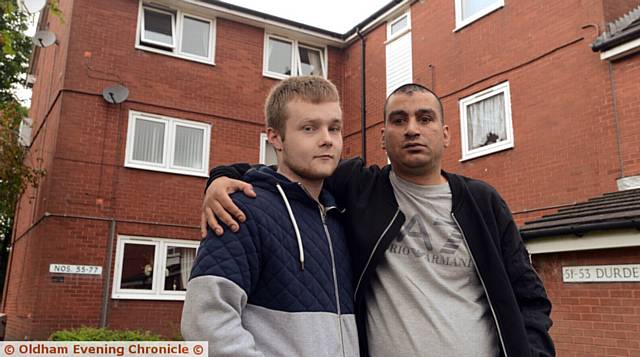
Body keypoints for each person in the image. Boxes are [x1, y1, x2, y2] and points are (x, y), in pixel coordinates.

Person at [204, 83, 555, 357]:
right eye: (399, 120)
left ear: (446, 134)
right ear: (382, 137)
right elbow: (288, 168)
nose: (412, 129)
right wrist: (220, 179)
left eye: (425, 118)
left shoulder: (482, 202)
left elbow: (530, 298)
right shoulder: (359, 188)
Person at [181, 76, 359, 357]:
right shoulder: (242, 209)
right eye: (309, 128)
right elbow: (206, 322)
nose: (327, 139)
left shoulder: (340, 216)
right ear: (275, 137)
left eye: (334, 128)